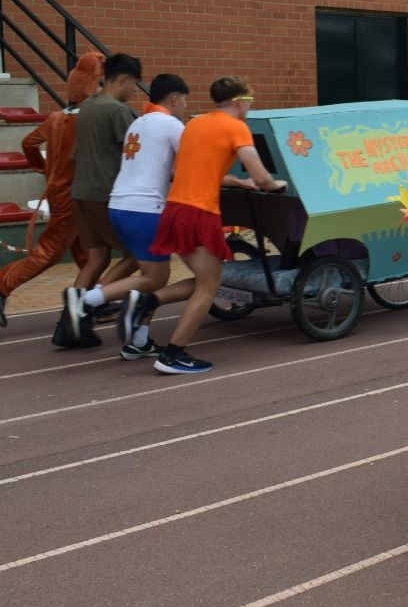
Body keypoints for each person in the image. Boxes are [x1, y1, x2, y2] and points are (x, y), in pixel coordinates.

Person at [146, 76, 286, 374]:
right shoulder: (237, 127)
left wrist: (238, 182)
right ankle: (173, 354)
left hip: (174, 208)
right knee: (209, 286)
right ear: (239, 102)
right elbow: (261, 175)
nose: (250, 107)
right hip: (201, 211)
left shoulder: (195, 123)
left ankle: (146, 301)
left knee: (202, 279)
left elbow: (180, 169)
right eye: (250, 102)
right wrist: (273, 185)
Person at [68, 74, 194, 361]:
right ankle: (88, 301)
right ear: (174, 99)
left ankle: (138, 341)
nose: (185, 106)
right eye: (184, 100)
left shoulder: (139, 122)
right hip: (145, 208)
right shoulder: (172, 125)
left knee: (150, 277)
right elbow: (187, 166)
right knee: (155, 278)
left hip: (119, 204)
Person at [0, 53, 104, 330]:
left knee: (87, 254)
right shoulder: (87, 120)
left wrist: (45, 170)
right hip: (75, 196)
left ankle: (97, 300)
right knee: (49, 252)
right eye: (98, 85)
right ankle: (0, 288)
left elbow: (28, 143)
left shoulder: (57, 118)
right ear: (90, 87)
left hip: (60, 191)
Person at [63, 53, 140, 334]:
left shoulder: (87, 107)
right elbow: (134, 154)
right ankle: (91, 303)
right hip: (105, 193)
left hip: (81, 191)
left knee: (98, 257)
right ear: (124, 79)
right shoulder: (117, 111)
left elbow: (74, 154)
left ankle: (70, 320)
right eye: (134, 84)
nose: (134, 91)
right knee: (137, 255)